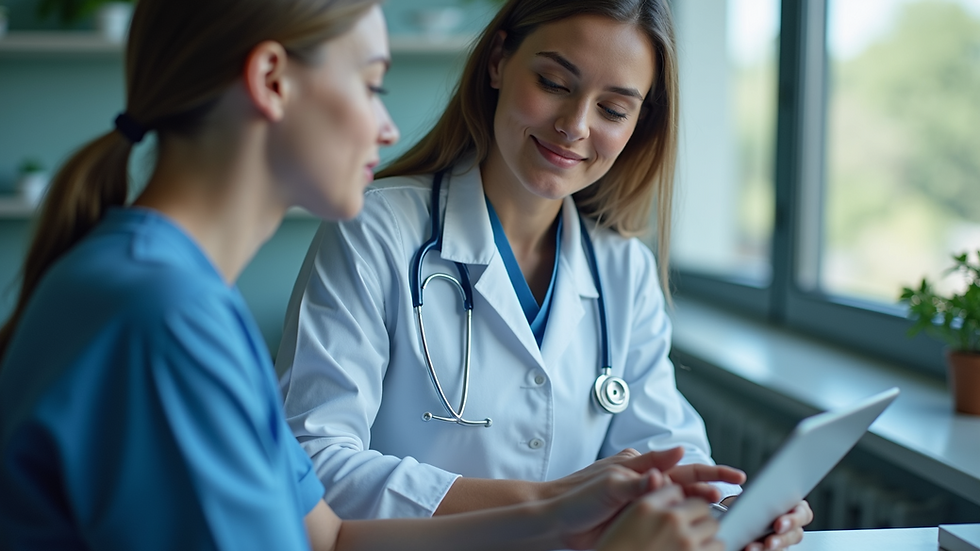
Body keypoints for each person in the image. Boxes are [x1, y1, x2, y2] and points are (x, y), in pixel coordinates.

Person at [0, 0, 733, 550]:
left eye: (613, 107)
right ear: (272, 81)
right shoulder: (163, 318)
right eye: (373, 84)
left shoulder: (177, 300)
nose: (388, 129)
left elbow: (328, 536)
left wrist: (560, 513)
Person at [276, 0, 812, 550]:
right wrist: (553, 502)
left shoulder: (623, 269)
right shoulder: (377, 228)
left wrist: (730, 507)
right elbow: (314, 465)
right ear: (498, 62)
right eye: (554, 82)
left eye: (613, 109)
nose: (574, 126)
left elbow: (665, 446)